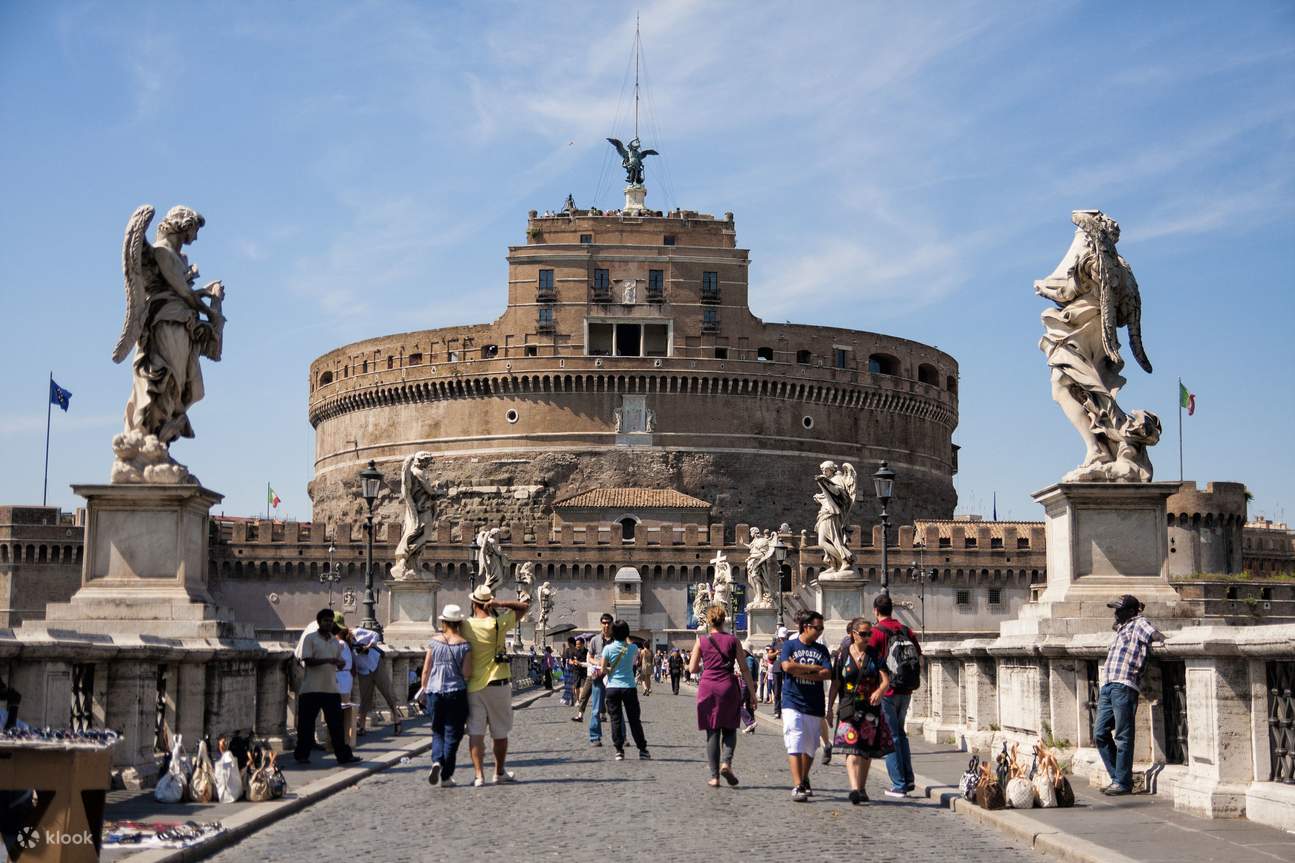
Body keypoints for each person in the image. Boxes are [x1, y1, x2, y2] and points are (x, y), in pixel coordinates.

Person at [1095, 594, 1165, 796]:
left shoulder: (1139, 623)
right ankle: (1119, 778)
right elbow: (1115, 625)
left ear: (1133, 611)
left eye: (1120, 609)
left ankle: (1122, 783)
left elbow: (1155, 635)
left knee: (1123, 736)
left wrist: (1164, 642)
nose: (1115, 613)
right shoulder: (1123, 627)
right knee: (1100, 734)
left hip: (1124, 685)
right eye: (1115, 609)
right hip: (1108, 685)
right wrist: (1118, 623)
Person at [463, 585, 531, 786]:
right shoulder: (498, 624)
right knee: (500, 732)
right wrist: (499, 603)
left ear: (473, 603)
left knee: (476, 732)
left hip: (473, 685)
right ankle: (499, 772)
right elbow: (524, 607)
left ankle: (478, 775)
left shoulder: (465, 625)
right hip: (498, 683)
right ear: (488, 603)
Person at [827, 618, 893, 805]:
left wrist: (880, 691)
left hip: (870, 708)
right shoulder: (842, 656)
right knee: (851, 749)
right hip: (849, 706)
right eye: (863, 634)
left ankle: (862, 788)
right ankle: (855, 788)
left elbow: (886, 680)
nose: (867, 637)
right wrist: (829, 708)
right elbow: (835, 683)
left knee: (865, 751)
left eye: (869, 634)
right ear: (853, 634)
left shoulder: (875, 654)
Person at [690, 605, 756, 786]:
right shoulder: (733, 640)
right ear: (724, 619)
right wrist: (752, 693)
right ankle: (726, 762)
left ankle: (714, 777)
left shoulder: (702, 641)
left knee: (712, 731)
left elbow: (692, 668)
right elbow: (744, 669)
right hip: (728, 686)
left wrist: (707, 664)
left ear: (709, 621)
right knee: (729, 728)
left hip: (708, 687)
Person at [868, 593, 922, 798]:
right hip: (906, 689)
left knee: (890, 736)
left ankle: (899, 784)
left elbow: (869, 659)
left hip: (887, 691)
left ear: (875, 611)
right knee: (900, 734)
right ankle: (908, 780)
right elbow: (919, 654)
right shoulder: (906, 629)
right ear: (892, 609)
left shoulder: (876, 632)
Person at [294, 608, 359, 765]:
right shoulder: (310, 638)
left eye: (331, 621)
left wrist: (339, 663)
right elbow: (307, 660)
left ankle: (343, 756)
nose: (329, 624)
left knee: (336, 725)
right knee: (306, 726)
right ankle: (302, 755)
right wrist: (328, 660)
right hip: (311, 688)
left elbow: (336, 661)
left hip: (331, 688)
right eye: (326, 621)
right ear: (319, 622)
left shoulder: (334, 641)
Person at [779, 611, 832, 802]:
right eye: (817, 628)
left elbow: (827, 673)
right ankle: (798, 785)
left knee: (810, 747)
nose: (820, 632)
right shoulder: (790, 645)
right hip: (792, 701)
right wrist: (815, 669)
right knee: (795, 740)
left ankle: (804, 777)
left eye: (822, 628)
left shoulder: (822, 649)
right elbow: (786, 667)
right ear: (806, 627)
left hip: (814, 703)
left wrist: (802, 671)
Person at [418, 604, 473, 786]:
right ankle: (446, 776)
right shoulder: (464, 645)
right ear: (459, 623)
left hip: (434, 691)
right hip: (455, 691)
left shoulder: (434, 642)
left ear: (443, 622)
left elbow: (426, 670)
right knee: (453, 733)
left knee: (437, 730)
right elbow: (466, 673)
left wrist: (424, 689)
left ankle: (436, 760)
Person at [600, 619, 650, 761]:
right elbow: (633, 659)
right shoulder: (633, 648)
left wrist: (610, 669)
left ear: (613, 632)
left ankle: (619, 750)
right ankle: (642, 749)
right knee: (634, 720)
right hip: (628, 687)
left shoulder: (608, 649)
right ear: (627, 633)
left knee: (615, 719)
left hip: (612, 688)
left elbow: (603, 669)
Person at [353, 625, 402, 737]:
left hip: (375, 664)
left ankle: (397, 719)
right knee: (364, 697)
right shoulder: (342, 643)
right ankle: (362, 726)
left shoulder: (357, 632)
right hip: (363, 670)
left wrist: (369, 645)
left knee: (387, 692)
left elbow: (376, 635)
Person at [576, 614, 614, 745]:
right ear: (601, 624)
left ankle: (621, 736)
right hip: (598, 676)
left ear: (612, 624)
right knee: (596, 708)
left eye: (608, 622)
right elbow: (590, 657)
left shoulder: (616, 641)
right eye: (604, 622)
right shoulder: (595, 640)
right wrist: (597, 662)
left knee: (615, 708)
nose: (606, 625)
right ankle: (595, 737)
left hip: (612, 677)